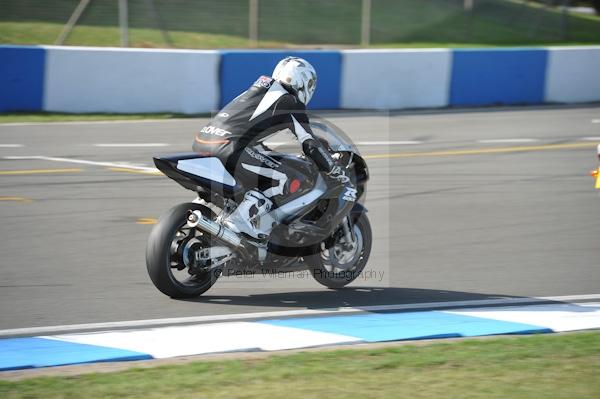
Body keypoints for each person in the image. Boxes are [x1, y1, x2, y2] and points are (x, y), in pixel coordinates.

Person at [193, 56, 351, 239]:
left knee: (262, 166)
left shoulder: (256, 91)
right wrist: (333, 168)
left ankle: (204, 210)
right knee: (285, 175)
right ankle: (239, 221)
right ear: (302, 83)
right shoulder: (289, 101)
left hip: (203, 141)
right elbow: (310, 144)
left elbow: (245, 131)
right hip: (229, 148)